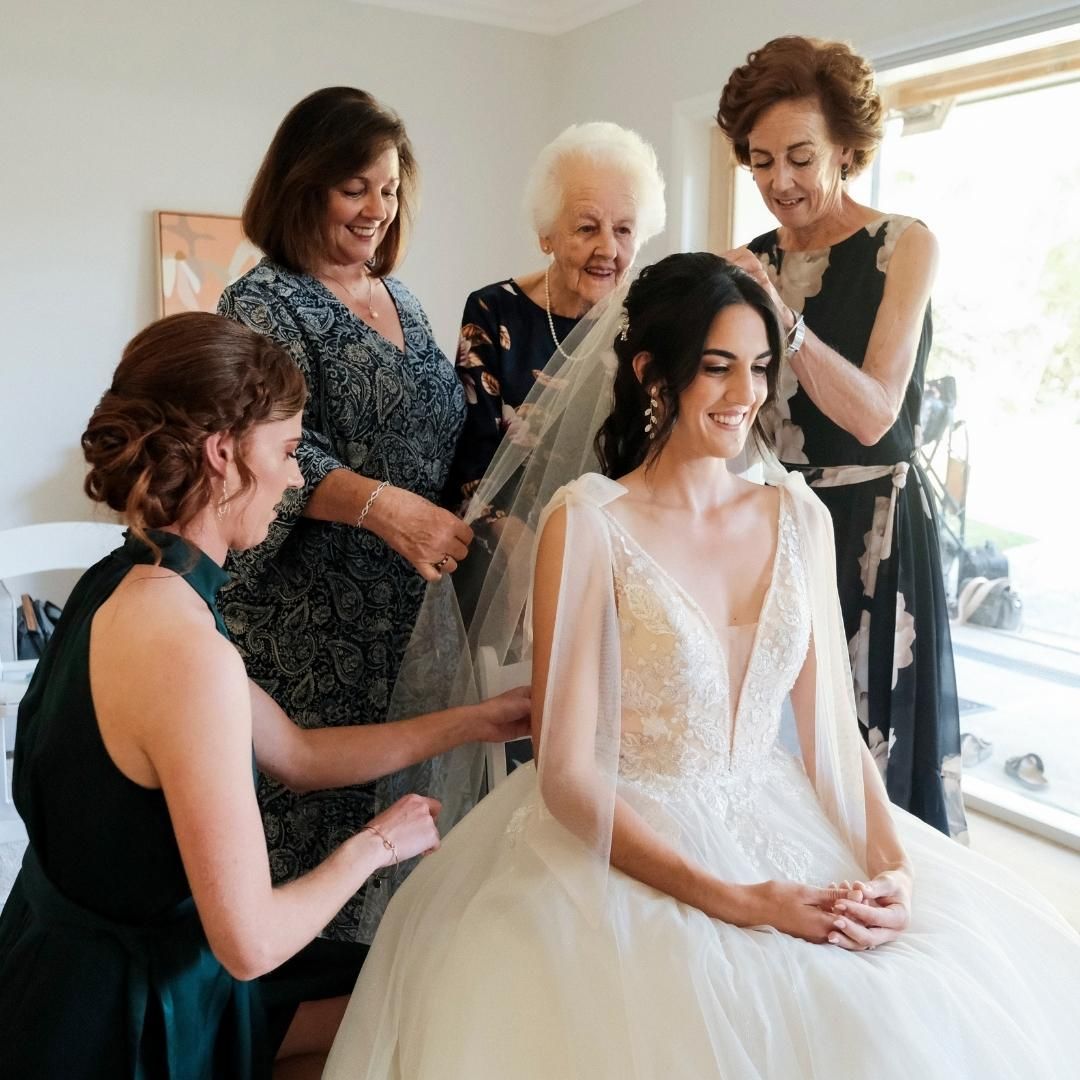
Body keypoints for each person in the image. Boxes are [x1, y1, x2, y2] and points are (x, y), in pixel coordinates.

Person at [322, 254, 1080, 1080]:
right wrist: (740, 901)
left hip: (778, 816)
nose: (744, 393)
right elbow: (566, 777)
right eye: (718, 367)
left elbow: (833, 739)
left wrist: (892, 868)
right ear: (654, 372)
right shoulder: (590, 522)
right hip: (621, 837)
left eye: (758, 366)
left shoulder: (799, 516)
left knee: (911, 1014)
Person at [0, 313, 529, 1080]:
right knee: (420, 997)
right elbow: (249, 944)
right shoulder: (185, 650)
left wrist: (478, 721)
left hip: (51, 966)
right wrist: (378, 846)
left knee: (405, 983)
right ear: (222, 454)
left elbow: (300, 754)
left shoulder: (124, 578)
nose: (295, 478)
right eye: (286, 451)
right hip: (126, 1022)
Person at [217, 87, 474, 942]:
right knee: (307, 869)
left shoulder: (403, 300)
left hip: (406, 622)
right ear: (304, 185)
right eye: (354, 187)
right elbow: (275, 450)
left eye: (390, 189)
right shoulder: (264, 304)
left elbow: (438, 433)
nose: (377, 209)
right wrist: (381, 508)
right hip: (308, 627)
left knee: (398, 871)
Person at [717, 36, 964, 837]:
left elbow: (874, 415)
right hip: (771, 527)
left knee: (862, 753)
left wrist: (782, 317)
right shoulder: (750, 261)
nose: (778, 182)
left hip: (871, 533)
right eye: (760, 162)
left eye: (800, 157)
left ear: (848, 150)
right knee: (767, 746)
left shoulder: (905, 246)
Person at [443, 121, 666, 514]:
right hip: (506, 533)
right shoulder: (493, 311)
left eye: (623, 230)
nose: (608, 249)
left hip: (619, 531)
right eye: (587, 228)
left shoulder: (651, 321)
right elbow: (473, 465)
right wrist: (528, 546)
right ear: (546, 235)